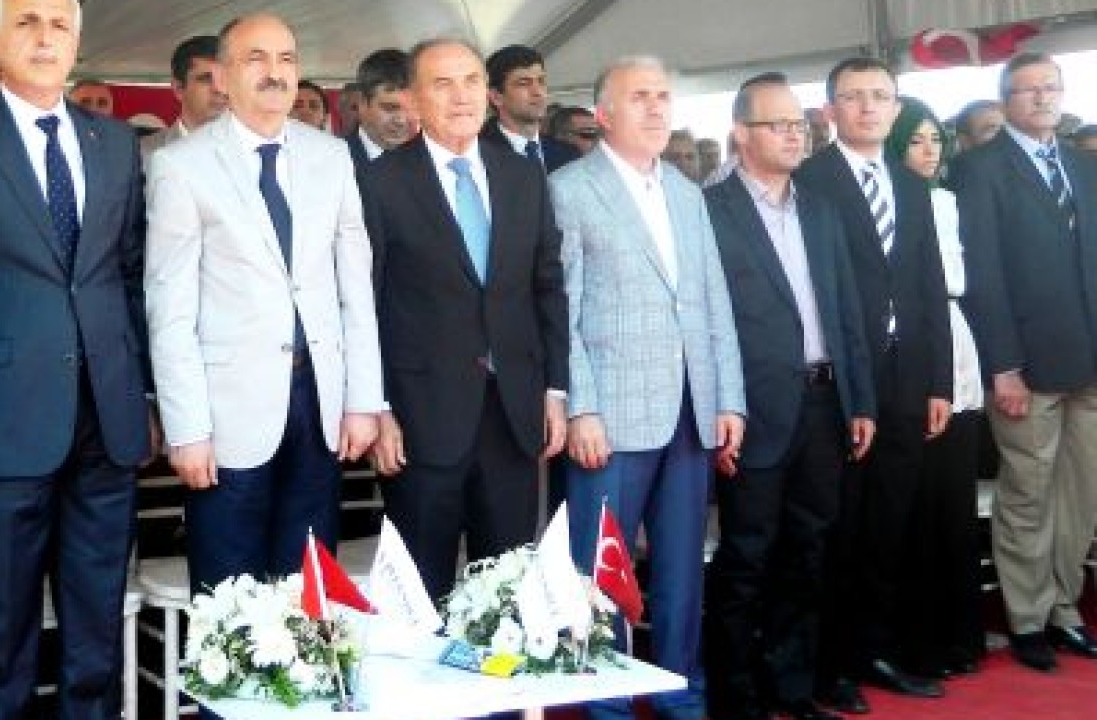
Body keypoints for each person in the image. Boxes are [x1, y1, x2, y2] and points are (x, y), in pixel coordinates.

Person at [0, 0, 153, 717]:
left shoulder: (113, 143)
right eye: (27, 22)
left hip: (105, 420)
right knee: (1, 632)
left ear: (77, 42)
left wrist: (144, 395)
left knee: (96, 626)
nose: (45, 38)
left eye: (59, 25)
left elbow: (129, 275)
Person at [145, 11, 382, 611]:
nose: (275, 73)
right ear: (223, 76)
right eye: (256, 59)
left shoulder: (331, 156)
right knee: (229, 604)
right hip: (226, 414)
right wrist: (186, 429)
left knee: (309, 594)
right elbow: (169, 309)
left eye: (286, 59)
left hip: (319, 404)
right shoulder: (181, 165)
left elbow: (355, 288)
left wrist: (363, 399)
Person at [550, 55, 745, 720]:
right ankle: (604, 700)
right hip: (611, 416)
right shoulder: (570, 190)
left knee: (682, 568)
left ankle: (680, 693)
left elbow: (712, 300)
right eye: (640, 97)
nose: (657, 107)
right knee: (601, 568)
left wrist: (728, 398)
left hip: (691, 410)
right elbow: (561, 310)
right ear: (603, 114)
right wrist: (581, 407)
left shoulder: (687, 192)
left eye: (664, 95)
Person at [362, 37, 568, 601]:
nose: (461, 97)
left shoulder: (523, 176)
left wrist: (555, 390)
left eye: (472, 81)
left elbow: (547, 287)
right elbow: (364, 304)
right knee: (418, 596)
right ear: (412, 98)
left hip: (513, 414)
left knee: (503, 596)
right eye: (442, 84)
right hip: (420, 420)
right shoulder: (379, 182)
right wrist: (379, 408)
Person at [704, 72, 876, 720]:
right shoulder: (710, 210)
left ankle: (792, 686)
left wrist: (860, 400)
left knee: (809, 550)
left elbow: (847, 310)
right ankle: (736, 694)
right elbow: (703, 321)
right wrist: (719, 408)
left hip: (824, 403)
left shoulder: (820, 209)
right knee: (747, 554)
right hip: (751, 409)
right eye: (777, 125)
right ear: (741, 134)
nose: (794, 134)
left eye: (798, 124)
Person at [796, 57, 953, 711]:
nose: (868, 108)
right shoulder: (810, 180)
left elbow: (928, 285)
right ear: (830, 109)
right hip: (839, 379)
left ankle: (875, 649)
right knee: (840, 525)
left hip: (907, 375)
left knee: (891, 521)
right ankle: (829, 664)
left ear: (896, 106)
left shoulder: (911, 185)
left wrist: (939, 380)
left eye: (880, 96)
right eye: (853, 97)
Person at [949, 52, 1097, 672]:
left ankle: (1066, 609)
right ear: (1006, 99)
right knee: (1029, 495)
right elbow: (982, 274)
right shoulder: (978, 169)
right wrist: (1002, 365)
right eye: (1028, 89)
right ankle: (1028, 617)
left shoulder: (1083, 166)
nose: (1042, 98)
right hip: (1026, 366)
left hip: (1089, 359)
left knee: (1082, 495)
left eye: (1051, 88)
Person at [884, 95, 986, 677]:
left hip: (957, 335)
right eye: (915, 140)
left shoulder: (949, 201)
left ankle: (961, 634)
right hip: (909, 339)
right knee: (915, 501)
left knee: (955, 496)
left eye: (935, 139)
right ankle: (915, 637)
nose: (928, 151)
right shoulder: (890, 200)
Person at [479, 44, 579, 172]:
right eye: (523, 83)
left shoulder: (568, 155)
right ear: (496, 97)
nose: (537, 92)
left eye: (541, 81)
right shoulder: (477, 155)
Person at [139, 34, 226, 166]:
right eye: (205, 79)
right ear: (178, 88)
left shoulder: (255, 149)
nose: (220, 89)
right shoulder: (142, 154)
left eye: (226, 78)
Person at [345, 47, 412, 172]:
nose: (402, 120)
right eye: (390, 108)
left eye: (413, 109)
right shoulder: (334, 160)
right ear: (362, 103)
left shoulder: (431, 159)